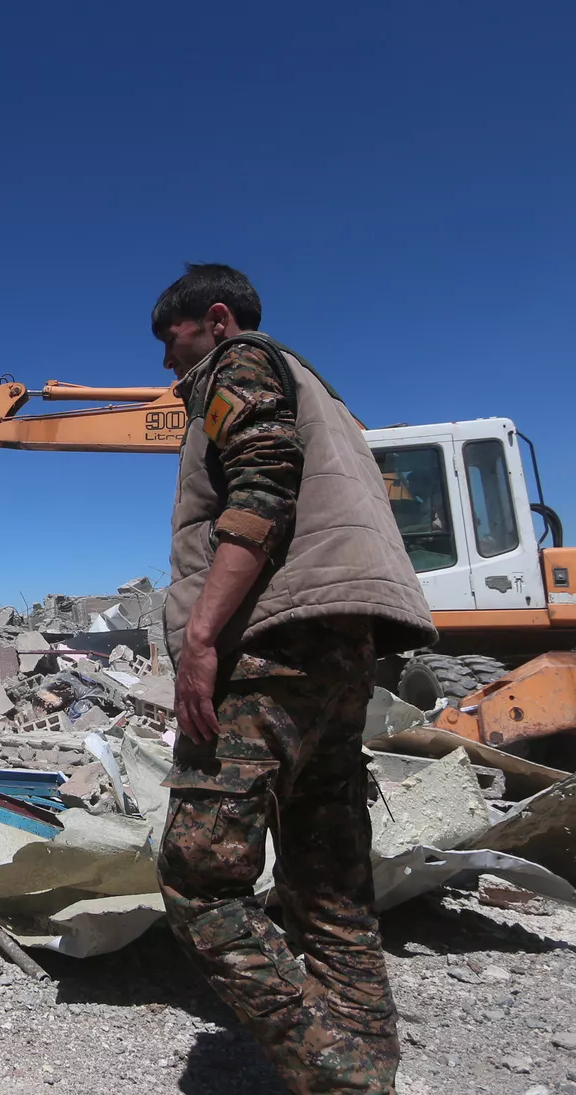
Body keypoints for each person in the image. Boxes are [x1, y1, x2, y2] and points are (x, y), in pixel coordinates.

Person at [151, 264, 435, 1095]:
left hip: (271, 648)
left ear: (215, 319)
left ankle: (341, 1079)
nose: (169, 366)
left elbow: (262, 488)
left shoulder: (236, 364)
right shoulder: (323, 394)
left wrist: (202, 635)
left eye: (173, 343)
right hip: (342, 651)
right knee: (328, 883)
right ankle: (368, 1065)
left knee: (201, 880)